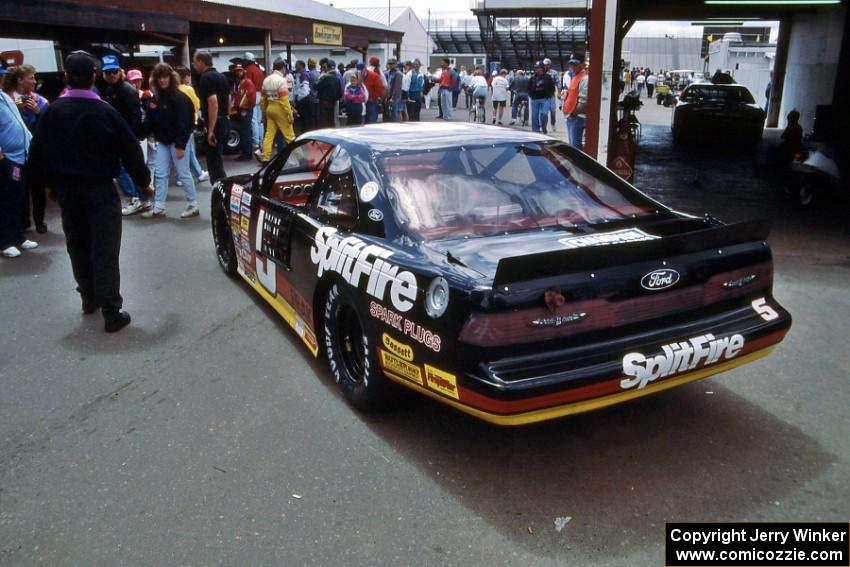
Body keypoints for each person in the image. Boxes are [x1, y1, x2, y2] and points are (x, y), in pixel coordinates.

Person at [27, 51, 150, 331]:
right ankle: (111, 310)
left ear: (66, 77)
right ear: (94, 77)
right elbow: (130, 150)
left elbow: (37, 154)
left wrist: (46, 186)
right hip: (99, 189)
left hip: (67, 191)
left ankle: (88, 297)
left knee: (78, 243)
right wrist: (143, 182)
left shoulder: (53, 112)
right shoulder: (105, 111)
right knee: (104, 247)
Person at [140, 63, 197, 219]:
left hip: (177, 142)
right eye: (160, 77)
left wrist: (180, 145)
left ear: (171, 78)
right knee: (161, 173)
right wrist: (139, 133)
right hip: (165, 141)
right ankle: (159, 207)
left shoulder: (179, 98)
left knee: (183, 173)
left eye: (165, 77)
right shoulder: (156, 99)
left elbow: (186, 123)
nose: (163, 80)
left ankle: (193, 205)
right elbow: (150, 120)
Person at [0, 63, 38, 258]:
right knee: (6, 200)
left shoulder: (5, 96)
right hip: (7, 159)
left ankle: (18, 236)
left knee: (18, 198)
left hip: (20, 157)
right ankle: (5, 241)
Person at [9, 64, 49, 234]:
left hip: (36, 154)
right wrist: (16, 111)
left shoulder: (41, 101)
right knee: (19, 188)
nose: (34, 81)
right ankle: (24, 222)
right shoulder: (7, 100)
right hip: (15, 156)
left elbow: (50, 126)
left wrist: (39, 113)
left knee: (38, 188)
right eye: (31, 77)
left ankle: (39, 221)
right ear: (20, 80)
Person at [192, 50, 230, 184]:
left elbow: (213, 103)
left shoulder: (205, 78)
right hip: (224, 120)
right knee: (217, 159)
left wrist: (211, 130)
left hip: (215, 122)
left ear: (201, 61)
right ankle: (222, 189)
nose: (193, 64)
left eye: (195, 61)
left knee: (214, 162)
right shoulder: (222, 77)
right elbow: (228, 99)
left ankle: (220, 192)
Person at [174, 66, 209, 185]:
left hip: (176, 124)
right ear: (184, 76)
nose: (190, 77)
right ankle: (181, 177)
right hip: (189, 123)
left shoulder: (173, 89)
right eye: (188, 75)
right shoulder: (188, 89)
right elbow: (197, 104)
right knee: (186, 150)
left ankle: (198, 173)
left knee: (188, 150)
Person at [260, 58, 296, 161]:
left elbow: (263, 99)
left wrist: (264, 113)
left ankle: (265, 157)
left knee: (269, 135)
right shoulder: (281, 80)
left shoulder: (266, 80)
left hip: (270, 109)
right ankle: (301, 158)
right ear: (283, 68)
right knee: (289, 135)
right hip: (280, 109)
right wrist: (290, 114)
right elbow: (284, 100)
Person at [563, 53, 589, 151]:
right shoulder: (576, 77)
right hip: (573, 116)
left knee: (575, 149)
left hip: (577, 117)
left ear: (582, 64)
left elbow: (583, 101)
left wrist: (574, 113)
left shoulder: (584, 78)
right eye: (571, 64)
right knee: (573, 146)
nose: (572, 66)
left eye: (575, 64)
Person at [233, 64, 256, 161]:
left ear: (243, 71)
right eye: (237, 71)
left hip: (245, 109)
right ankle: (246, 152)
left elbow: (249, 95)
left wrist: (243, 106)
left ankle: (246, 154)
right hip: (241, 109)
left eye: (240, 71)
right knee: (244, 131)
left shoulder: (247, 82)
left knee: (246, 131)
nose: (238, 73)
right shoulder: (239, 83)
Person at [243, 52, 265, 152]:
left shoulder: (248, 70)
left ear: (247, 61)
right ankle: (261, 141)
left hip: (254, 95)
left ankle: (255, 142)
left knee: (253, 120)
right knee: (260, 121)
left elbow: (248, 86)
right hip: (261, 94)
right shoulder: (259, 70)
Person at [529, 61, 555, 134]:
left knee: (544, 114)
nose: (536, 69)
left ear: (542, 68)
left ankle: (543, 126)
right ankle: (535, 131)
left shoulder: (548, 77)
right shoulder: (533, 78)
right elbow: (529, 87)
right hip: (535, 99)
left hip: (545, 99)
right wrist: (531, 95)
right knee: (534, 116)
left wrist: (549, 95)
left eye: (538, 68)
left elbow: (552, 87)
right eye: (535, 68)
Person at [316, 59, 342, 128]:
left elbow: (316, 86)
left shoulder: (325, 77)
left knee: (323, 121)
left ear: (327, 67)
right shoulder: (337, 77)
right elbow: (340, 93)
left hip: (324, 102)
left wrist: (320, 77)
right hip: (333, 102)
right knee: (331, 120)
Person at [363, 57, 385, 124]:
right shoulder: (378, 72)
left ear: (370, 62)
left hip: (362, 100)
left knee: (364, 120)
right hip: (372, 99)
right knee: (372, 121)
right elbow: (382, 86)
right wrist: (382, 98)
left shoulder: (364, 71)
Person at [543, 58, 559, 132]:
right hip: (543, 95)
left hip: (551, 95)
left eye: (547, 65)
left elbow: (558, 83)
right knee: (544, 112)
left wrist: (559, 92)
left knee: (553, 111)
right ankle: (544, 126)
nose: (546, 66)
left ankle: (553, 123)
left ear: (550, 65)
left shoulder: (554, 73)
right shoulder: (541, 72)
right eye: (544, 65)